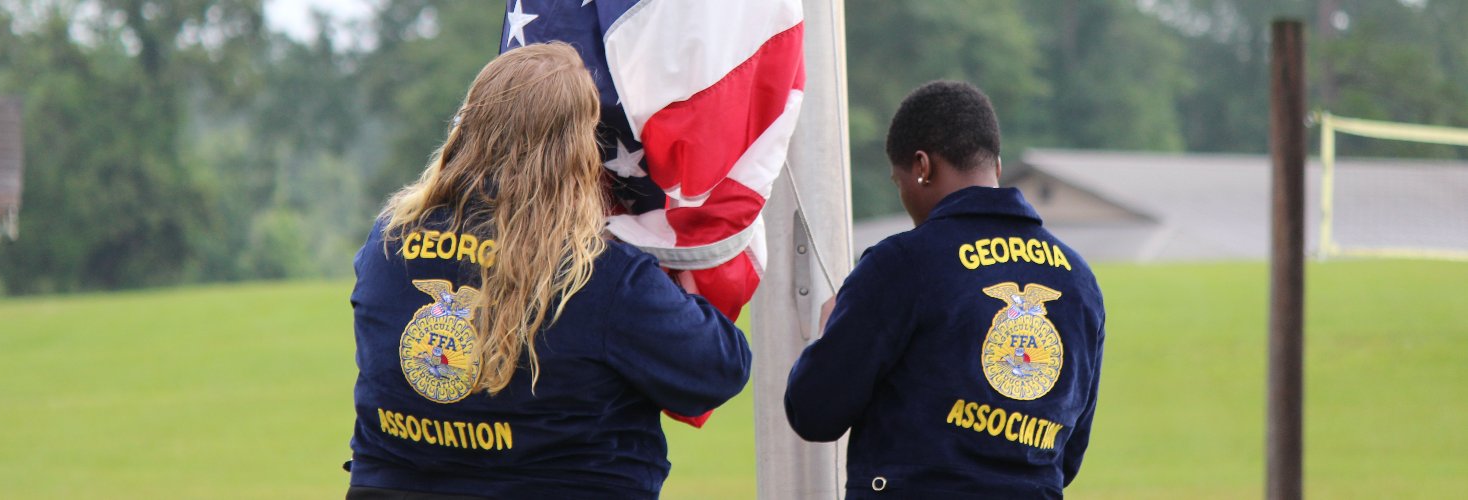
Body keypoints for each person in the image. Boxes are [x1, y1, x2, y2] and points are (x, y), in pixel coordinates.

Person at [346, 43, 751, 500]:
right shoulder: (601, 274)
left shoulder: (387, 241)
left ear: (468, 125)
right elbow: (718, 371)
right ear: (579, 151)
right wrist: (690, 296)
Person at [784, 81, 1106, 499]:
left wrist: (834, 332)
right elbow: (1069, 454)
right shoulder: (1078, 279)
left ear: (922, 166)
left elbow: (815, 411)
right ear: (997, 165)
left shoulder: (901, 264)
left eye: (899, 182)